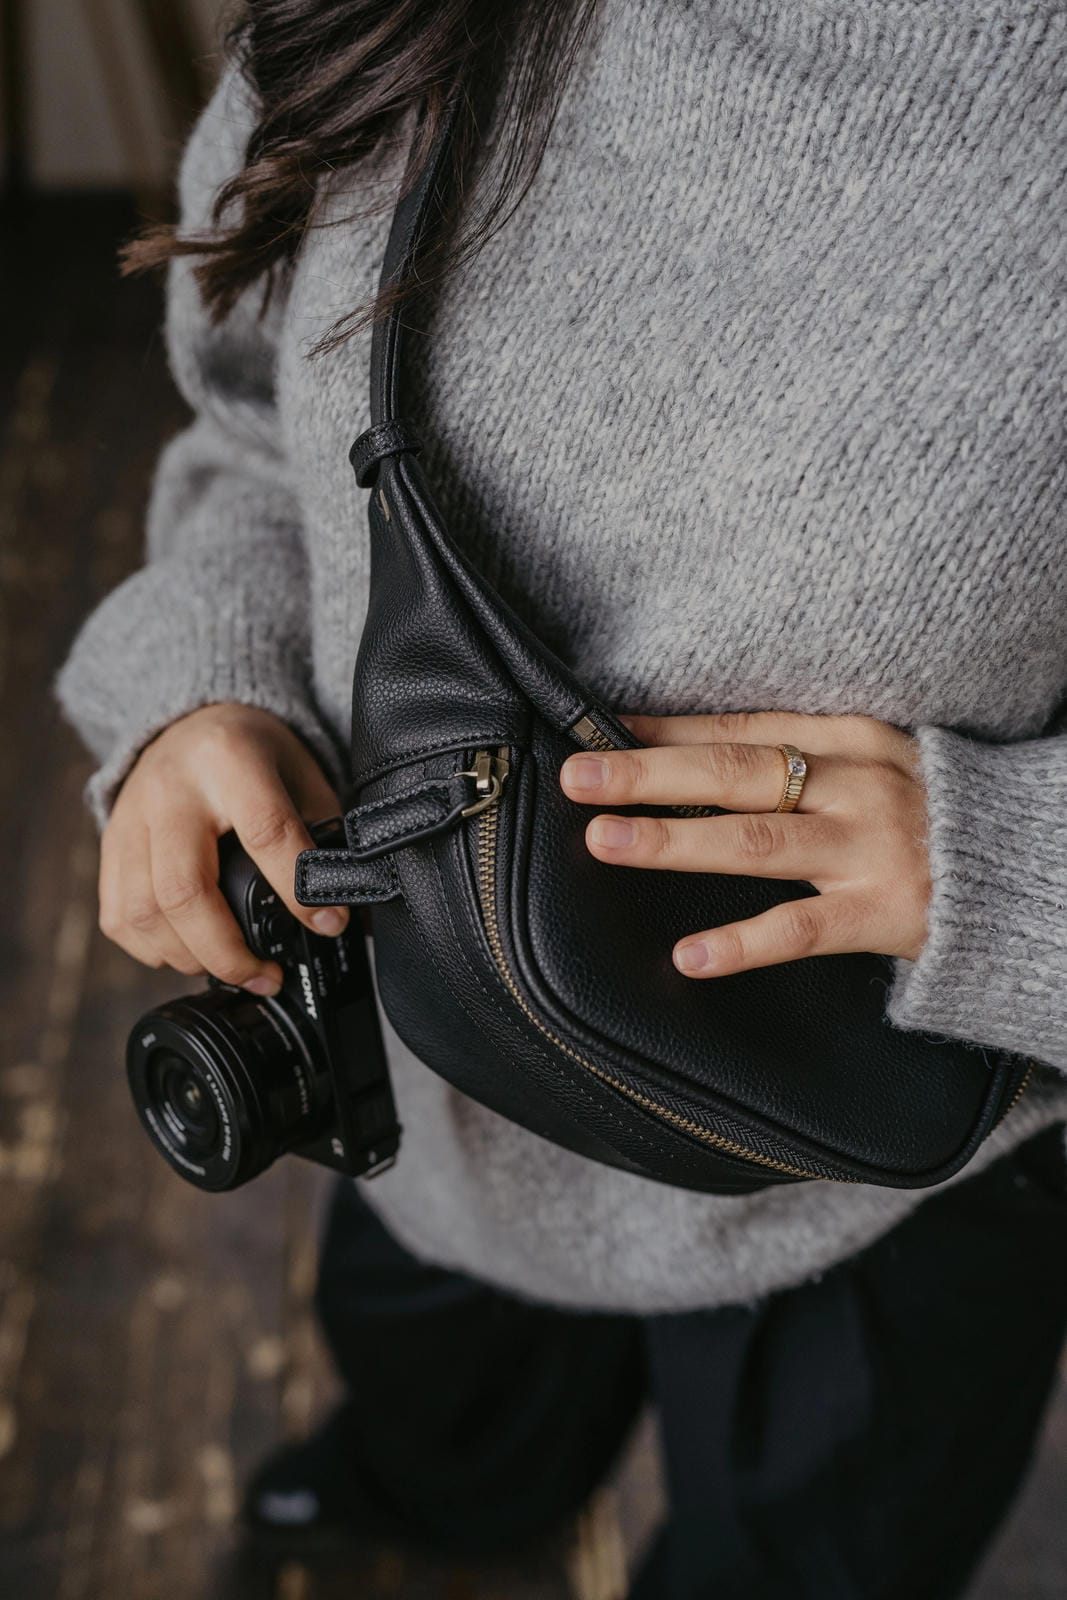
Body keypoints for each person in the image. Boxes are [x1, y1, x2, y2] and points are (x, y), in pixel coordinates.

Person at [56, 3, 1067, 1595]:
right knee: (438, 1422)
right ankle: (439, 1498)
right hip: (411, 1065)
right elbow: (254, 431)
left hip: (879, 1179)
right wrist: (201, 687)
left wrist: (1023, 869)